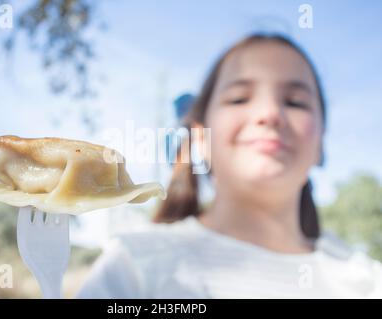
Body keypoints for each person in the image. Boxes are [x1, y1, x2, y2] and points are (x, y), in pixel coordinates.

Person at [77, 34, 382, 298]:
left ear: (321, 144)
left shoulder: (367, 281)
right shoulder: (134, 265)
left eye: (295, 102)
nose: (270, 113)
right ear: (200, 136)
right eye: (238, 99)